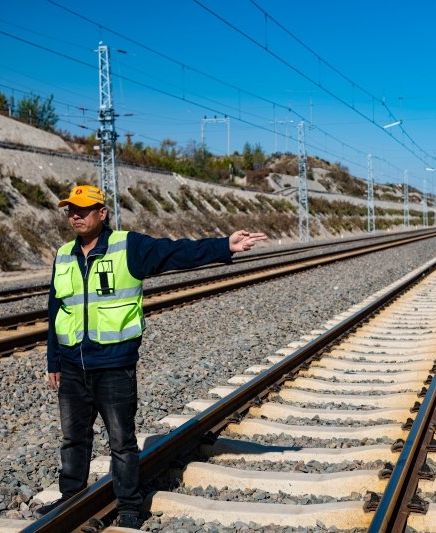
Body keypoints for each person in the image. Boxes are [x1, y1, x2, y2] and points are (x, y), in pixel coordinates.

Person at [37, 184, 267, 528]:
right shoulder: (64, 254)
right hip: (72, 366)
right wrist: (53, 360)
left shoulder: (128, 247)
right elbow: (56, 308)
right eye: (71, 209)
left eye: (83, 209)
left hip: (113, 365)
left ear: (102, 213)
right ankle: (71, 497)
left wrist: (224, 246)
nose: (75, 215)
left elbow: (175, 253)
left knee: (121, 441)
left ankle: (129, 504)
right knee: (73, 437)